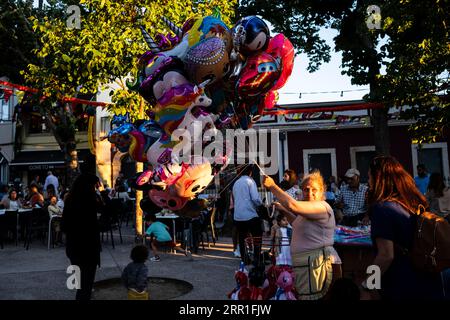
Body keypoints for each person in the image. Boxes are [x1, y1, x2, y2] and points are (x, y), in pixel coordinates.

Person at [362, 156, 445, 300]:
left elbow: (386, 255)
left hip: (403, 285)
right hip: (430, 280)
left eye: (369, 177)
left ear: (378, 179)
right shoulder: (413, 202)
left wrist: (367, 283)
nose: (368, 182)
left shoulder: (382, 209)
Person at [263, 171, 342, 300]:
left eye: (314, 190)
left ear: (322, 191)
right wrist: (283, 210)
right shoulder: (308, 210)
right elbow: (297, 224)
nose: (310, 193)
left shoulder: (322, 207)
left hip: (318, 267)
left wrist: (272, 186)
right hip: (309, 266)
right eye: (306, 189)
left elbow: (292, 205)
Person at [61, 173, 102, 300]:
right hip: (89, 249)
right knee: (87, 285)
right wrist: (102, 192)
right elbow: (107, 209)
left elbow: (64, 226)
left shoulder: (70, 200)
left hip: (74, 248)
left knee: (80, 285)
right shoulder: (91, 201)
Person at [232, 165, 263, 267]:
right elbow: (255, 198)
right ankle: (257, 258)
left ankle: (245, 259)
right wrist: (261, 204)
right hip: (250, 214)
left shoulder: (236, 183)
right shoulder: (250, 181)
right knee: (257, 236)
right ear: (250, 172)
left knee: (242, 237)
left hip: (238, 215)